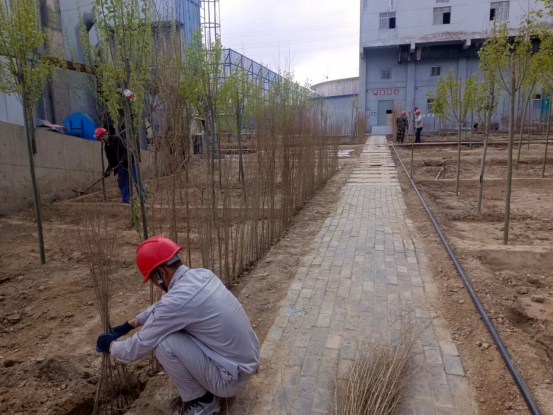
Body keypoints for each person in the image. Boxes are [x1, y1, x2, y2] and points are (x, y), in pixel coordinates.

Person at [96, 236, 260, 415]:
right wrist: (131, 324)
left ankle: (204, 402)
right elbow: (162, 307)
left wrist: (110, 345)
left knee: (164, 342)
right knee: (180, 328)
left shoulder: (175, 303)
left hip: (230, 381)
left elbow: (135, 348)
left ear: (161, 273)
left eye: (152, 279)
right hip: (247, 362)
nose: (155, 285)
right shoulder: (203, 274)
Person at [94, 127, 145, 204]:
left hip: (130, 162)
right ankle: (125, 200)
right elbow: (111, 161)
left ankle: (143, 198)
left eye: (99, 139)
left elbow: (126, 150)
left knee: (136, 179)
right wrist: (108, 171)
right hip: (121, 166)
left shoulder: (116, 139)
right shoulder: (107, 147)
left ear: (103, 136)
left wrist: (123, 160)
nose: (100, 141)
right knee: (122, 183)